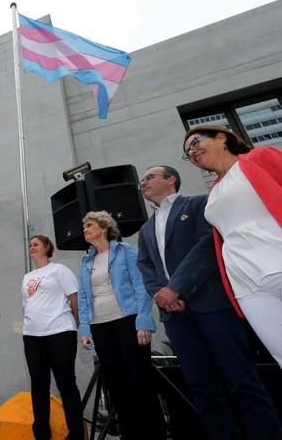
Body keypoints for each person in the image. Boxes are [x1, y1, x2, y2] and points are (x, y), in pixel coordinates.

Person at [137, 165, 282, 440]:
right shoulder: (145, 229)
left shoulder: (199, 204)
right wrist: (162, 295)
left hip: (212, 307)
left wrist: (176, 288)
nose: (143, 183)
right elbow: (145, 265)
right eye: (142, 180)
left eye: (149, 177)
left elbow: (206, 247)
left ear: (171, 180)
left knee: (241, 379)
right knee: (202, 386)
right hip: (176, 318)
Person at [182, 124, 282, 367]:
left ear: (221, 137)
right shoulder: (214, 191)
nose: (193, 153)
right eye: (188, 153)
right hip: (247, 285)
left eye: (195, 143)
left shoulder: (258, 157)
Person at [77, 212, 165, 440]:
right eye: (83, 226)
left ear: (104, 227)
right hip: (100, 327)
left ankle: (154, 434)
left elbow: (141, 286)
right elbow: (85, 299)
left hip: (128, 321)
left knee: (140, 381)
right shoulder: (86, 261)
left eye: (89, 225)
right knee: (117, 385)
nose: (84, 229)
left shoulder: (125, 252)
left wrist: (143, 321)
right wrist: (85, 330)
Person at [21, 235, 84, 440]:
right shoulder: (27, 276)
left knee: (66, 383)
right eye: (30, 245)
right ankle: (41, 434)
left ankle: (75, 434)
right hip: (32, 336)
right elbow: (27, 305)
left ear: (48, 247)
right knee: (38, 385)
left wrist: (74, 324)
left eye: (36, 244)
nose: (32, 247)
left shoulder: (59, 270)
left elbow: (74, 298)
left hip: (60, 332)